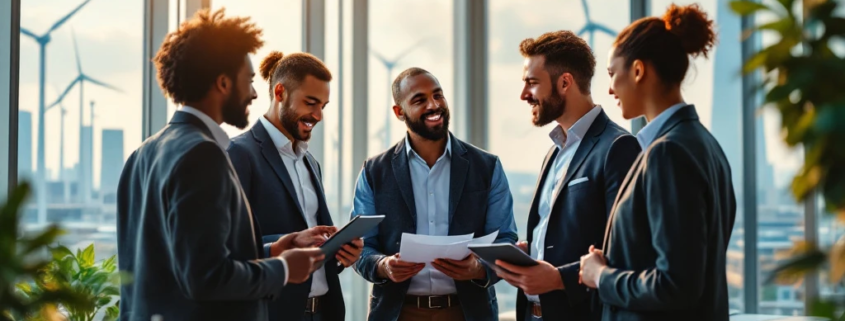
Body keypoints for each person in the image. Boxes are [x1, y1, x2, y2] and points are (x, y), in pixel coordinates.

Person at [116, 9, 325, 321]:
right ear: (224, 83)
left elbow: (179, 259)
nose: (255, 93)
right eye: (250, 81)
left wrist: (270, 251)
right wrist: (282, 269)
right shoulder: (203, 154)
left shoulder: (143, 153)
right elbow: (206, 278)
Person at [579, 4, 736, 321]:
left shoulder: (669, 153)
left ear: (638, 71)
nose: (609, 90)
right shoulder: (705, 145)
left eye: (612, 74)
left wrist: (601, 277)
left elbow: (676, 284)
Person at [492, 31, 640, 321]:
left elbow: (625, 252)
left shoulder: (618, 148)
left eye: (532, 83)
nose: (524, 95)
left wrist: (560, 278)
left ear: (564, 82)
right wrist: (529, 252)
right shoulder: (554, 152)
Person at [351, 68, 518, 321]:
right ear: (399, 112)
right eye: (420, 100)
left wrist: (478, 268)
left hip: (469, 312)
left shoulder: (487, 166)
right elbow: (360, 247)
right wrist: (383, 266)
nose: (434, 105)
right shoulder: (374, 172)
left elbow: (506, 239)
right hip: (398, 313)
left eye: (438, 95)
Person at [227, 51, 363, 321]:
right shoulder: (238, 154)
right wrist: (279, 246)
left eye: (323, 106)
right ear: (280, 92)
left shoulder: (310, 162)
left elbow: (313, 245)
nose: (318, 115)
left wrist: (339, 252)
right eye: (311, 103)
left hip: (324, 312)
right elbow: (229, 244)